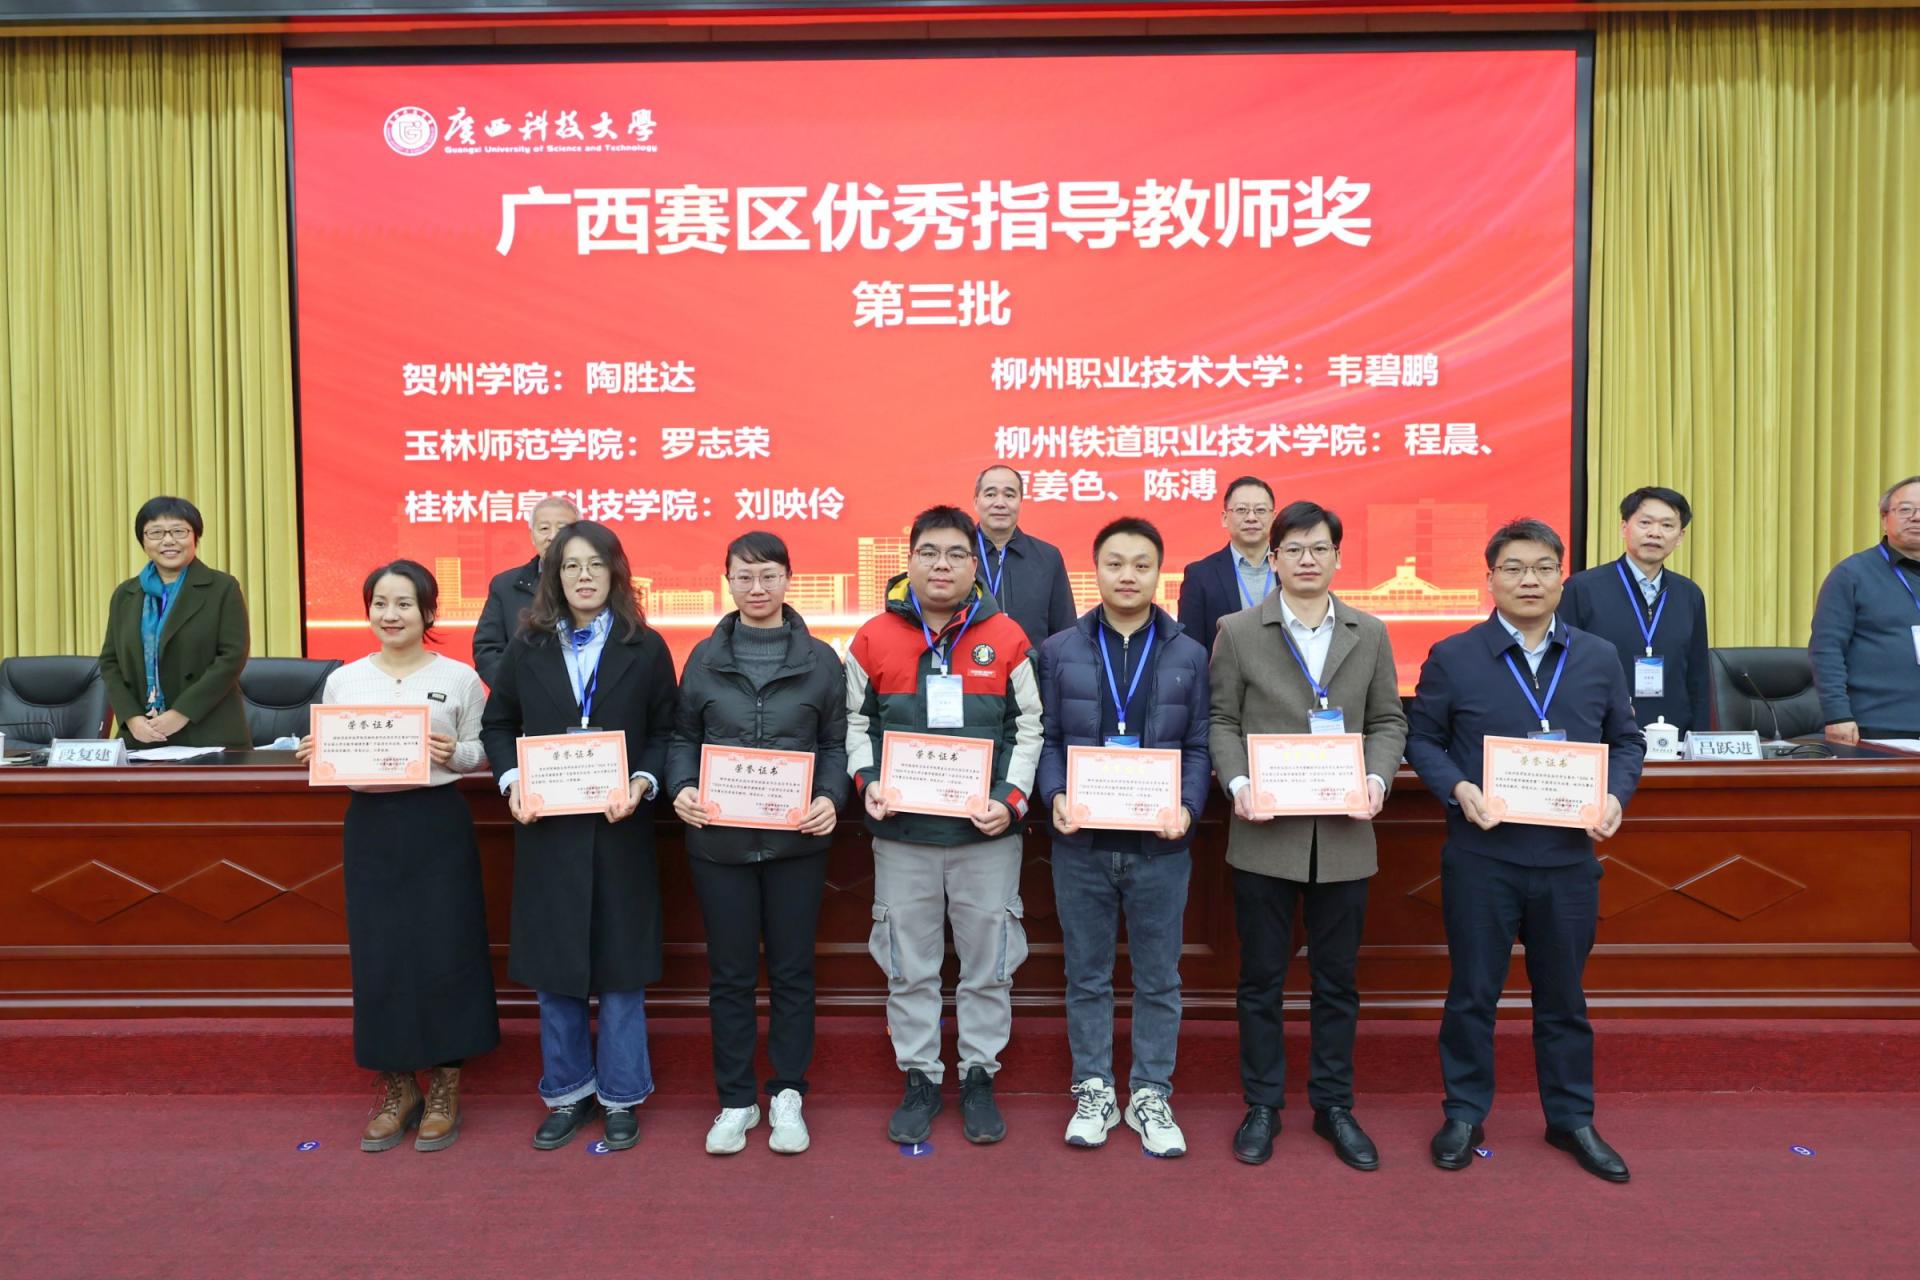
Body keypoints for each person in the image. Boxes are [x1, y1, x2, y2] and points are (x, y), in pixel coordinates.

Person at [1404, 518, 1646, 1183]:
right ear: (1490, 579)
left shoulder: (1597, 655)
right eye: (1513, 568)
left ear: (1561, 577)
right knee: (1472, 994)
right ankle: (1463, 1112)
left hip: (1567, 860)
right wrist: (1457, 788)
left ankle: (1571, 1118)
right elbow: (1421, 739)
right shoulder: (1454, 655)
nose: (1529, 580)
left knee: (1564, 999)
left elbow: (1627, 741)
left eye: (1542, 568)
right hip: (1483, 857)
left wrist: (1615, 796)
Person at [1207, 500, 1408, 1171]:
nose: (1307, 560)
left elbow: (1388, 721)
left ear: (1338, 558)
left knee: (1337, 982)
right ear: (1273, 559)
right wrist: (1239, 784)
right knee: (1260, 979)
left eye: (1319, 548)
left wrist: (1376, 779)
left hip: (1345, 836)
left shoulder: (1369, 632)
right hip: (1265, 833)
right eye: (1293, 549)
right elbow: (1221, 721)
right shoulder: (1238, 631)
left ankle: (1333, 1105)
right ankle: (1262, 1103)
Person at [846, 505, 1042, 1146]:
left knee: (990, 965)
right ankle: (921, 1077)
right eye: (929, 552)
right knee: (909, 966)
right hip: (904, 837)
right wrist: (868, 782)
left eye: (957, 554)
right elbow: (855, 724)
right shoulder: (872, 638)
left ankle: (979, 1074)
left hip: (986, 836)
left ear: (974, 564)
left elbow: (1029, 728)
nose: (942, 565)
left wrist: (1010, 801)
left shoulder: (1006, 636)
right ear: (909, 560)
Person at [480, 519, 678, 1153]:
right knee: (555, 969)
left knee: (621, 971)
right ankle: (566, 1093)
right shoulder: (527, 645)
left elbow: (666, 731)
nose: (584, 576)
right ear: (553, 576)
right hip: (549, 831)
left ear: (615, 573)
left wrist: (643, 781)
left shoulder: (645, 646)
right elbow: (498, 723)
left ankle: (621, 1095)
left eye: (595, 564)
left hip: (620, 827)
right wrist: (513, 782)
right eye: (570, 565)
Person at [294, 561, 498, 1153]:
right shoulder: (344, 680)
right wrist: (317, 751)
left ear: (428, 611)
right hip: (372, 825)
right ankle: (398, 1086)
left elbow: (482, 751)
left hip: (438, 822)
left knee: (447, 947)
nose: (391, 615)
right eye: (380, 604)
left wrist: (456, 752)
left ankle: (446, 1082)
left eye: (404, 604)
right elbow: (336, 754)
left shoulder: (459, 678)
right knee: (380, 951)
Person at [667, 531, 850, 1157]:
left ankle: (788, 1092)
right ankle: (737, 1100)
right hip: (719, 844)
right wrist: (681, 787)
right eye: (743, 576)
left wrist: (831, 796)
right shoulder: (702, 658)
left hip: (798, 842)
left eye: (768, 575)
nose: (757, 587)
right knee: (731, 976)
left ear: (788, 579)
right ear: (728, 582)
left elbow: (834, 743)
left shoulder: (821, 659)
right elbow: (682, 737)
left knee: (794, 972)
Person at [1034, 516, 1210, 1157]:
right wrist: (1055, 796)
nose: (1128, 575)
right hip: (1081, 844)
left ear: (1158, 572)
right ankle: (1094, 1089)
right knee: (1087, 976)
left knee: (1159, 979)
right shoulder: (1059, 650)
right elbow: (1048, 739)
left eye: (1141, 564)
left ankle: (1151, 1094)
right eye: (1115, 563)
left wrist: (1187, 807)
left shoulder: (1190, 653)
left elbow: (1198, 745)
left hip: (1161, 846)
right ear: (1097, 571)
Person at [99, 495, 251, 749]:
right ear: (143, 541)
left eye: (179, 531)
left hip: (208, 731)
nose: (168, 540)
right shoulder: (126, 594)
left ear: (195, 537)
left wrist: (182, 713)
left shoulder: (222, 587)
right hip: (143, 734)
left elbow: (232, 657)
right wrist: (131, 717)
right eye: (156, 532)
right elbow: (109, 662)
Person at [1562, 487, 1711, 737]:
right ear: (1624, 527)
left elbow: (1698, 676)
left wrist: (1700, 739)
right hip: (1602, 732)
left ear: (1680, 536)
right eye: (1645, 523)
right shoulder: (1582, 588)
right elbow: (1564, 670)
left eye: (1667, 525)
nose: (1655, 533)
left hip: (1672, 735)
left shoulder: (1689, 594)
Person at [1811, 476, 1920, 743]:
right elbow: (1826, 649)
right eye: (1906, 509)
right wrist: (1837, 715)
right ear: (1884, 518)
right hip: (1879, 729)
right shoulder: (1852, 574)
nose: (1916, 518)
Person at [473, 496, 579, 686]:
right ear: (532, 536)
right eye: (544, 528)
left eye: (562, 528)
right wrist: (519, 691)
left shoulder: (597, 583)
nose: (552, 536)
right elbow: (487, 650)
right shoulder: (505, 585)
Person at [972, 464, 1077, 647]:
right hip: (970, 662)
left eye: (1009, 495)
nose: (1000, 503)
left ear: (1020, 501)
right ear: (976, 501)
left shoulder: (1048, 557)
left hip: (1032, 663)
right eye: (990, 494)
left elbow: (1064, 631)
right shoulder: (958, 555)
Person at [1177, 476, 1279, 647]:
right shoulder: (1200, 575)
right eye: (1241, 510)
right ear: (1225, 518)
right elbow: (1190, 647)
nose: (1251, 517)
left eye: (1260, 510)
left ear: (1274, 518)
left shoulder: (1292, 566)